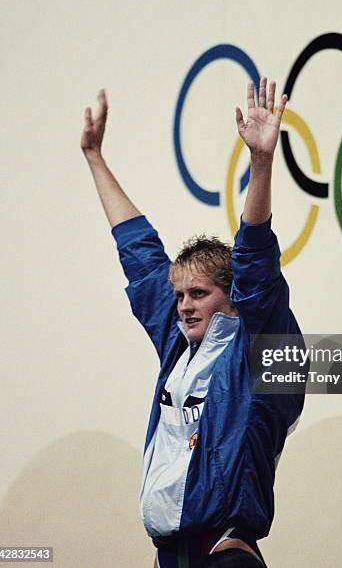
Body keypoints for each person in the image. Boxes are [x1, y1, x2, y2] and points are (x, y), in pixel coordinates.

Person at [80, 79, 305, 567]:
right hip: (169, 557)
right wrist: (96, 158)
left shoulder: (256, 357)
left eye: (199, 294)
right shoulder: (179, 346)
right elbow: (139, 254)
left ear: (234, 299)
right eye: (179, 295)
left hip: (224, 556)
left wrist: (261, 163)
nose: (183, 305)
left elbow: (257, 267)